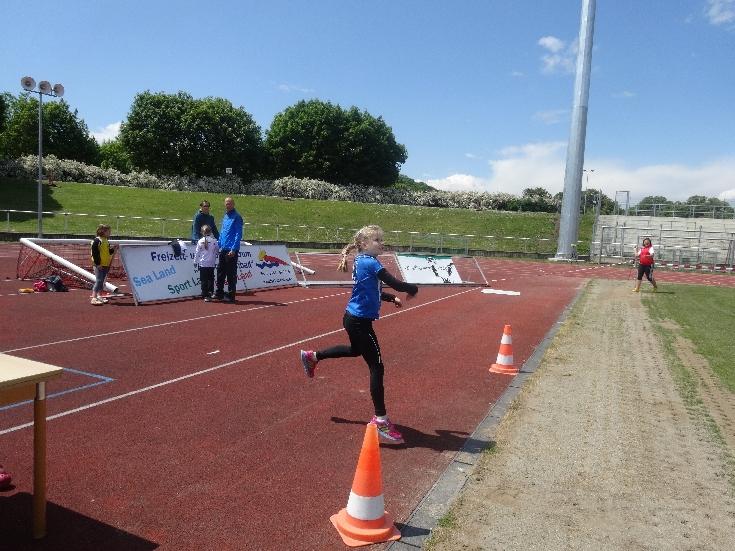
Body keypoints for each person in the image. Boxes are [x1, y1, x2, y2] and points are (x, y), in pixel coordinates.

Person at [299, 225, 418, 443]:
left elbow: (371, 289)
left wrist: (390, 298)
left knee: (355, 350)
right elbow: (395, 283)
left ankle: (313, 356)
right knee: (377, 366)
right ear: (364, 244)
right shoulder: (371, 262)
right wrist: (413, 289)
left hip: (353, 319)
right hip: (359, 322)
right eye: (377, 240)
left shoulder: (362, 261)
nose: (382, 244)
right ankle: (381, 420)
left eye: (382, 240)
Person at [214, 197, 243, 303]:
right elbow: (222, 232)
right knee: (220, 272)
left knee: (231, 274)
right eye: (226, 203)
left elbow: (238, 234)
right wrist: (218, 245)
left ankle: (231, 296)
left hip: (231, 250)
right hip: (223, 249)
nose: (228, 205)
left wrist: (234, 249)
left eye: (230, 203)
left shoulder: (237, 217)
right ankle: (219, 293)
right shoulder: (225, 216)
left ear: (233, 204)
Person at [90, 224, 116, 305]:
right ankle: (94, 297)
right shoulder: (97, 241)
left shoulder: (106, 241)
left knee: (102, 281)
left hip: (105, 264)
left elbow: (108, 252)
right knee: (99, 280)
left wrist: (113, 248)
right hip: (99, 265)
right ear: (103, 232)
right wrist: (98, 264)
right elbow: (95, 253)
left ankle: (99, 296)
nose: (110, 233)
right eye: (109, 231)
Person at [194, 224, 219, 302]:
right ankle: (210, 293)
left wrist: (195, 261)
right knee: (210, 279)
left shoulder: (200, 241)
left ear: (202, 232)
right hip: (211, 263)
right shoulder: (214, 241)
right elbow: (217, 251)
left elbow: (197, 252)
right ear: (210, 232)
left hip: (203, 263)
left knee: (203, 279)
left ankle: (205, 294)